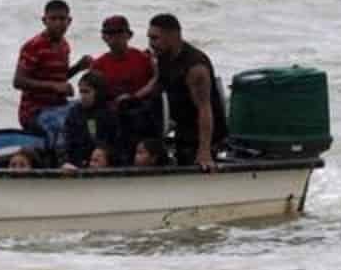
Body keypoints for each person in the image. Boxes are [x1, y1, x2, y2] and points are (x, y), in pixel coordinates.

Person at [146, 13, 228, 171]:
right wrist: (132, 97)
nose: (151, 44)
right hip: (182, 128)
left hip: (204, 134)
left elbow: (205, 109)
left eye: (155, 38)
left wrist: (204, 151)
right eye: (149, 38)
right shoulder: (163, 56)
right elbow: (157, 82)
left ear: (173, 36)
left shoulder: (195, 67)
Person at [13, 0, 87, 147]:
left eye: (62, 19)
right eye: (53, 19)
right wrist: (54, 86)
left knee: (90, 108)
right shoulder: (34, 46)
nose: (58, 23)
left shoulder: (64, 45)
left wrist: (79, 67)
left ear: (69, 21)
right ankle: (59, 163)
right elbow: (18, 81)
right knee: (62, 126)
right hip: (35, 112)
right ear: (44, 21)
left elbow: (58, 77)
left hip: (59, 106)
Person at [91, 14, 162, 160]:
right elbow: (94, 96)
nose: (114, 37)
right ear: (103, 37)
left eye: (119, 33)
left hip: (140, 111)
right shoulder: (98, 65)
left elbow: (157, 83)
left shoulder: (144, 59)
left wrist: (134, 97)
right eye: (110, 33)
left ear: (129, 35)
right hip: (112, 115)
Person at [60, 71, 119, 168]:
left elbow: (117, 145)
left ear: (98, 92)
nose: (82, 96)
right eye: (81, 92)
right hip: (76, 165)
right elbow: (65, 141)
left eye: (86, 92)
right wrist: (65, 162)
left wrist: (106, 154)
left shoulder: (110, 114)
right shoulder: (74, 113)